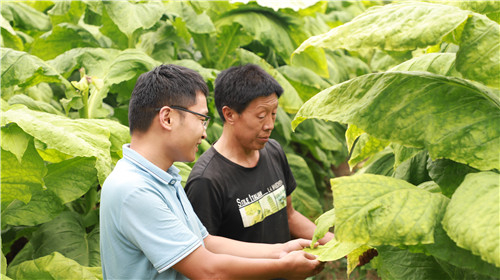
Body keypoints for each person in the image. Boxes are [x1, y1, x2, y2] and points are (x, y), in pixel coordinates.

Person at [99, 64, 324, 280]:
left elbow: (205, 242)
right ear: (167, 118)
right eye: (201, 119)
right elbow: (207, 271)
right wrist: (282, 267)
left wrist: (281, 250)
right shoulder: (134, 191)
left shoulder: (163, 177)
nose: (205, 133)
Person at [185, 64, 335, 246]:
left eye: (273, 114)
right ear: (230, 114)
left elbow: (290, 216)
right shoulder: (207, 181)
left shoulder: (273, 151)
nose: (270, 125)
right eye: (261, 116)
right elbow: (205, 252)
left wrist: (335, 244)